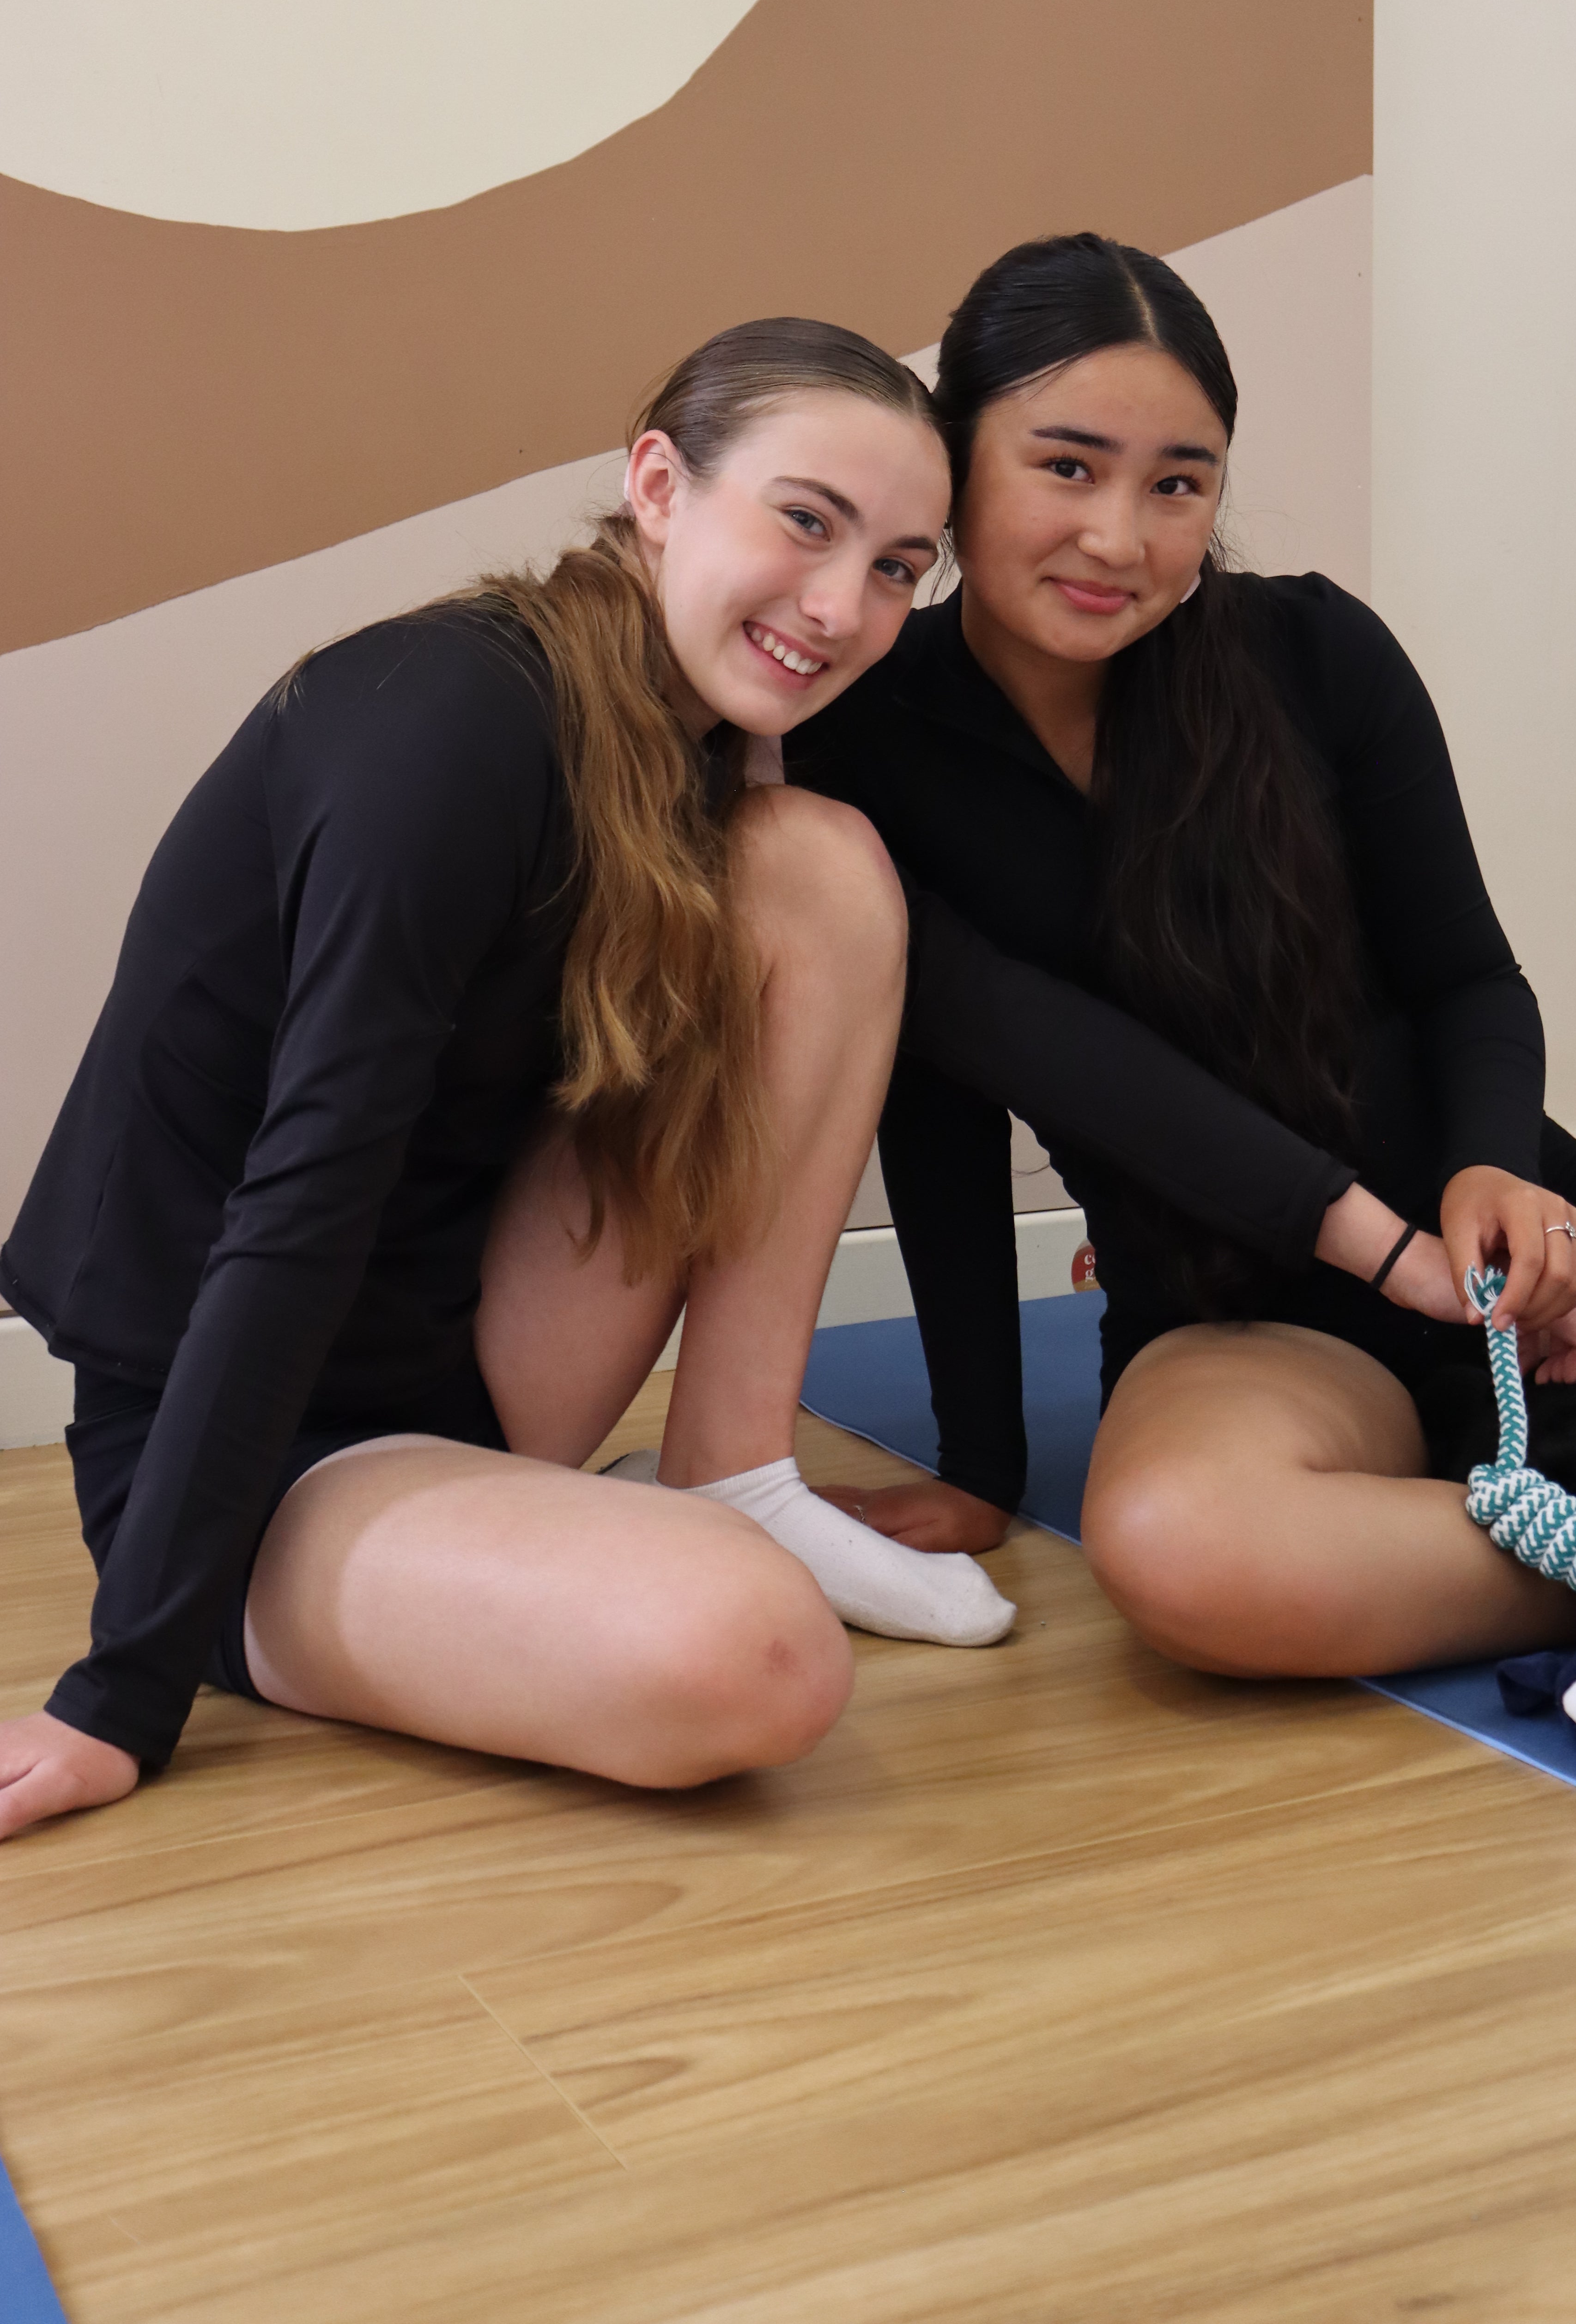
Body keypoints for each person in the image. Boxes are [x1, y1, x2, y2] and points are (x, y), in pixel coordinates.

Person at [0, 316, 1017, 1848]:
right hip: (253, 1452)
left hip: (471, 1356)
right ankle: (596, 1551)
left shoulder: (704, 749)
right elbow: (301, 1195)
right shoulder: (443, 722)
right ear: (659, 484)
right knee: (756, 1662)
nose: (844, 606)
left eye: (896, 567)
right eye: (807, 521)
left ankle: (733, 1471)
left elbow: (987, 1023)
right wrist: (117, 1700)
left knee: (821, 876)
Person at [788, 235, 1576, 1679]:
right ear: (956, 458)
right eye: (1067, 467)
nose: (1122, 537)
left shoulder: (1317, 654)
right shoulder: (862, 742)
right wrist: (980, 1464)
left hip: (1515, 1253)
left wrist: (1495, 1173)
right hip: (1242, 1318)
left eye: (1179, 482)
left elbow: (1471, 979)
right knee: (1188, 1558)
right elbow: (939, 1107)